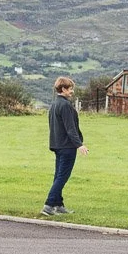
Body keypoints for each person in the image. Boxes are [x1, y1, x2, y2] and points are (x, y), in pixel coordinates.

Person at [42, 76, 87, 216]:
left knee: (58, 176)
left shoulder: (54, 104)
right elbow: (70, 128)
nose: (72, 91)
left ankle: (58, 204)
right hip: (67, 146)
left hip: (57, 144)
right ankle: (49, 204)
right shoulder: (66, 105)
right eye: (70, 88)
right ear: (63, 89)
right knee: (62, 177)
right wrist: (79, 145)